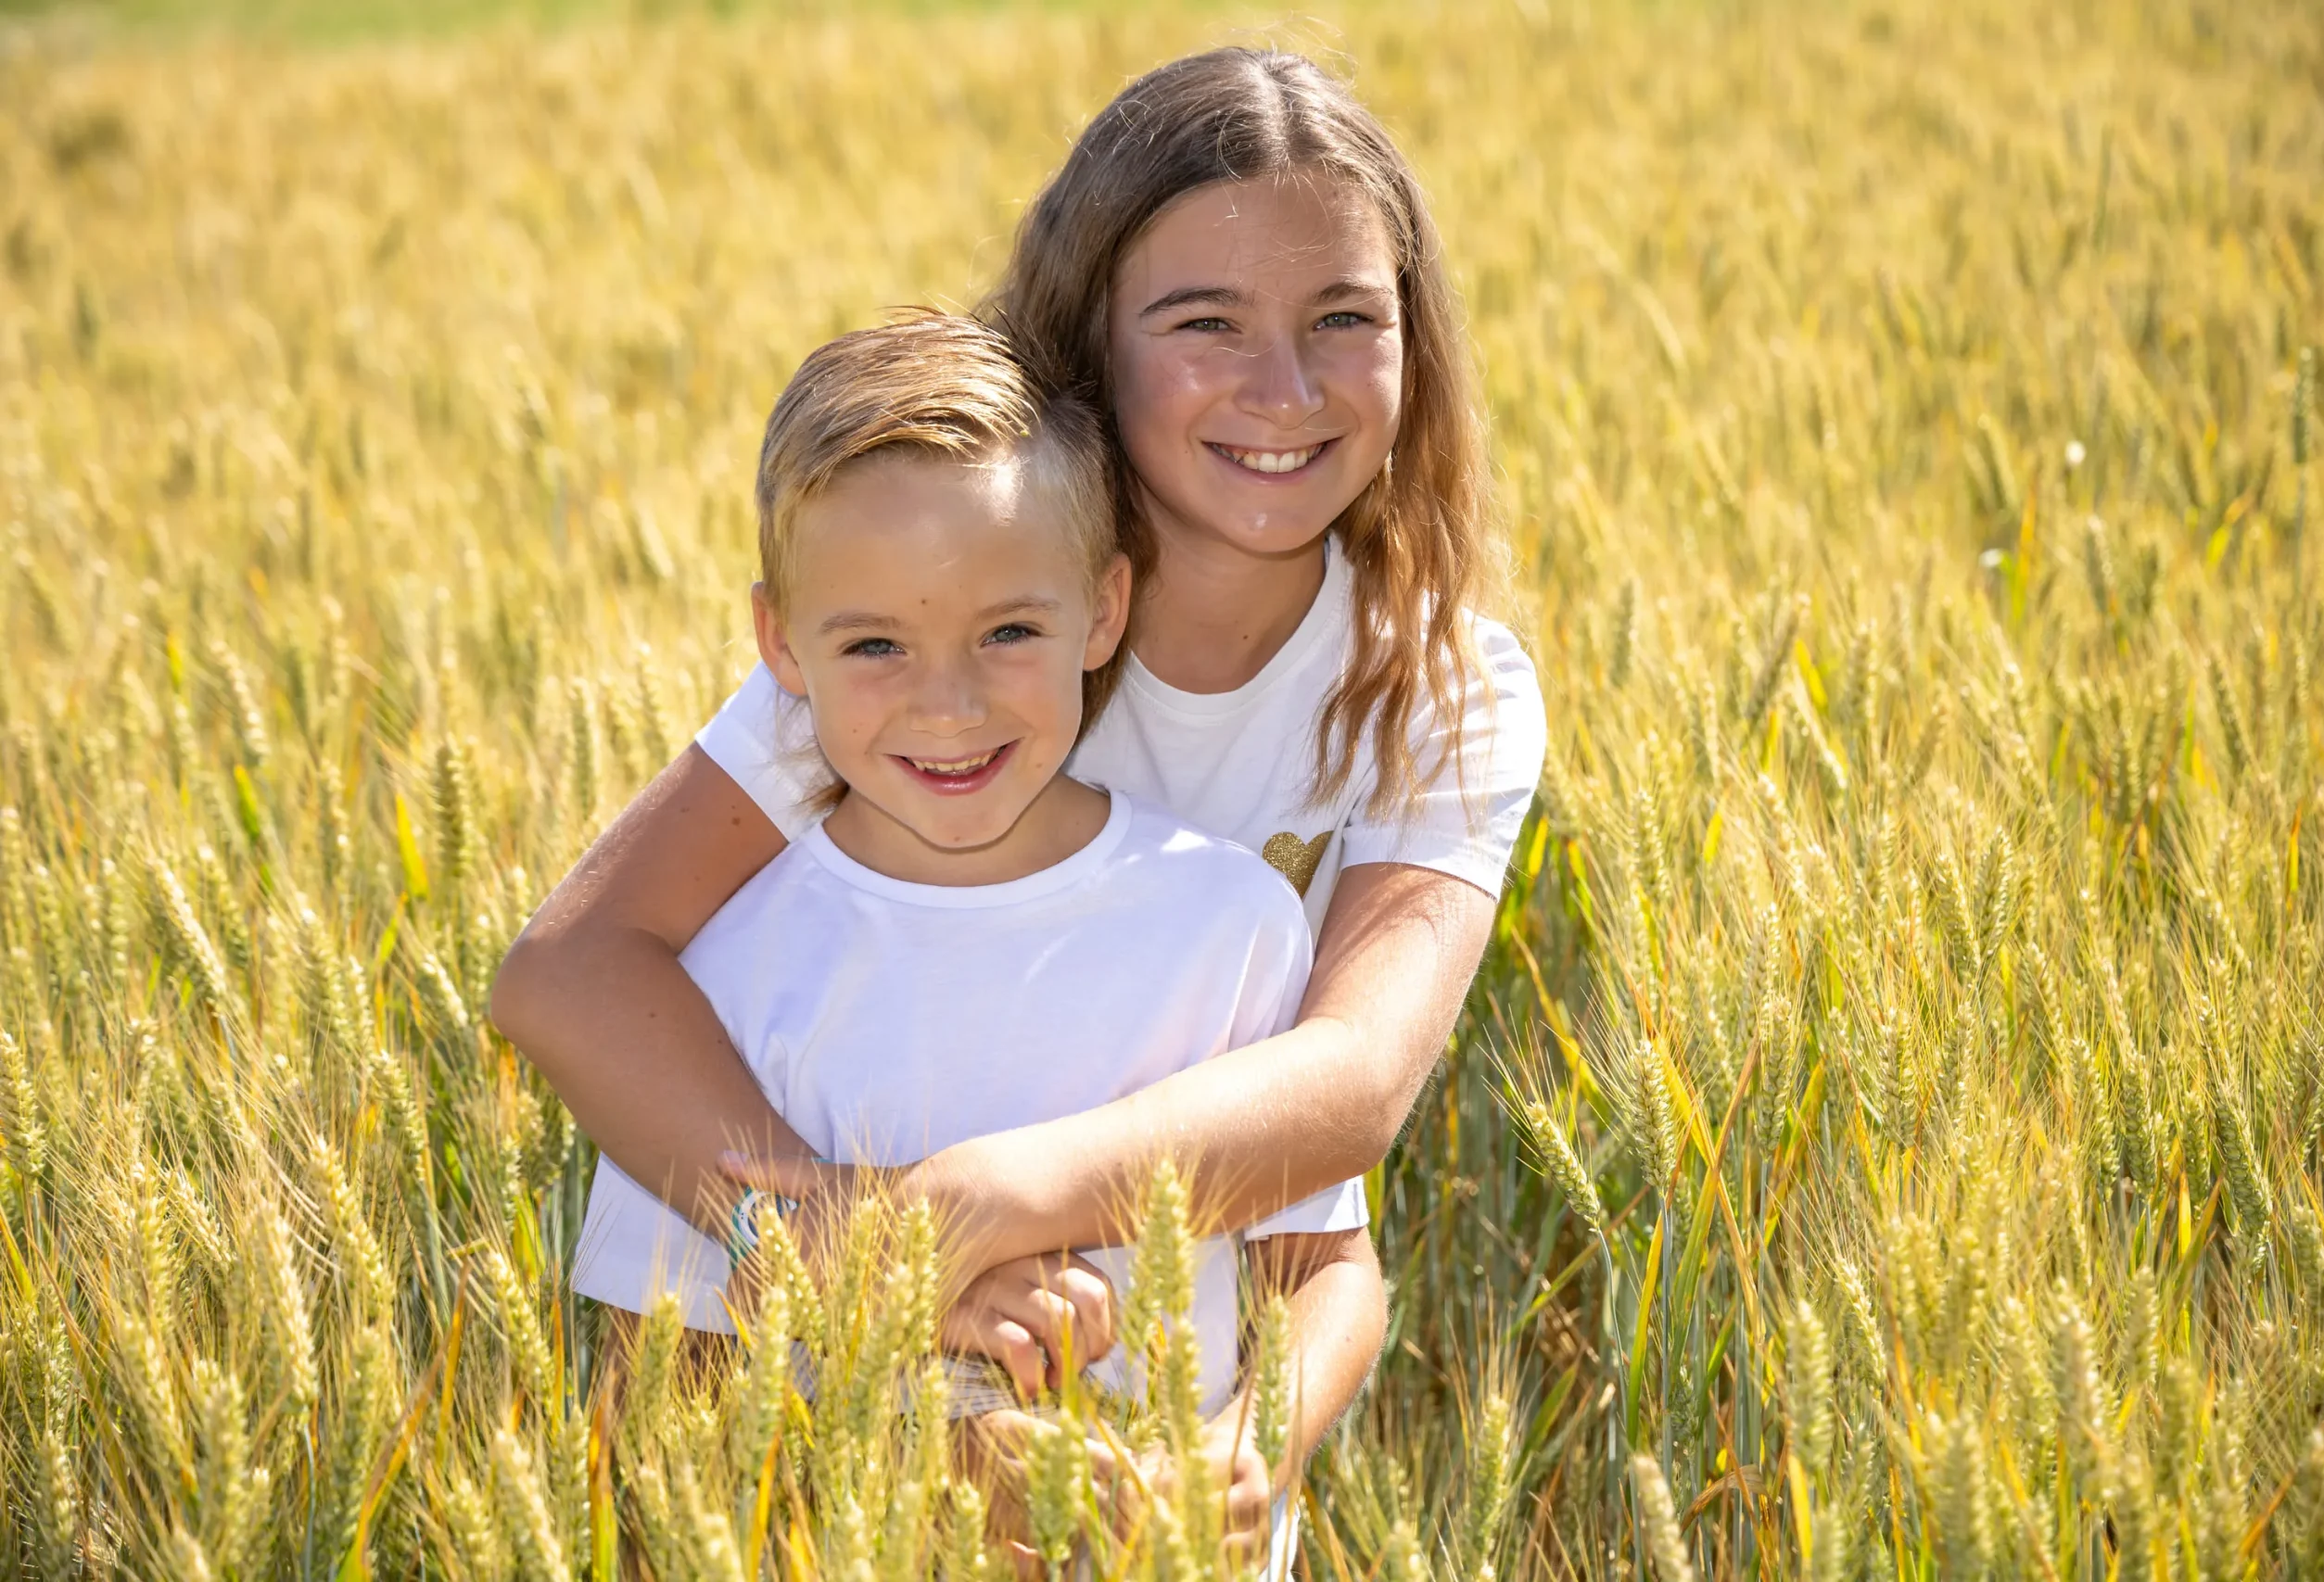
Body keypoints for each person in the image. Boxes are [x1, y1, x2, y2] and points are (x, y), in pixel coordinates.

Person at [492, 44, 1547, 1550]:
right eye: (1205, 323)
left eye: (1344, 321)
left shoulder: (1439, 686)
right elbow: (574, 965)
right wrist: (843, 1247)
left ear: (1414, 340)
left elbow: (1355, 1089)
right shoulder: (939, 626)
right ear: (1088, 346)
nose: (1285, 388)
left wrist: (994, 1202)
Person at [571, 311, 1384, 1569]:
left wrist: (1257, 1440)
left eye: (1008, 631)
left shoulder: (1227, 925)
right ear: (779, 642)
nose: (947, 701)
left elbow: (1328, 1266)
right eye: (876, 644)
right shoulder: (717, 984)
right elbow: (653, 1400)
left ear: (1104, 609)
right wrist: (953, 1460)